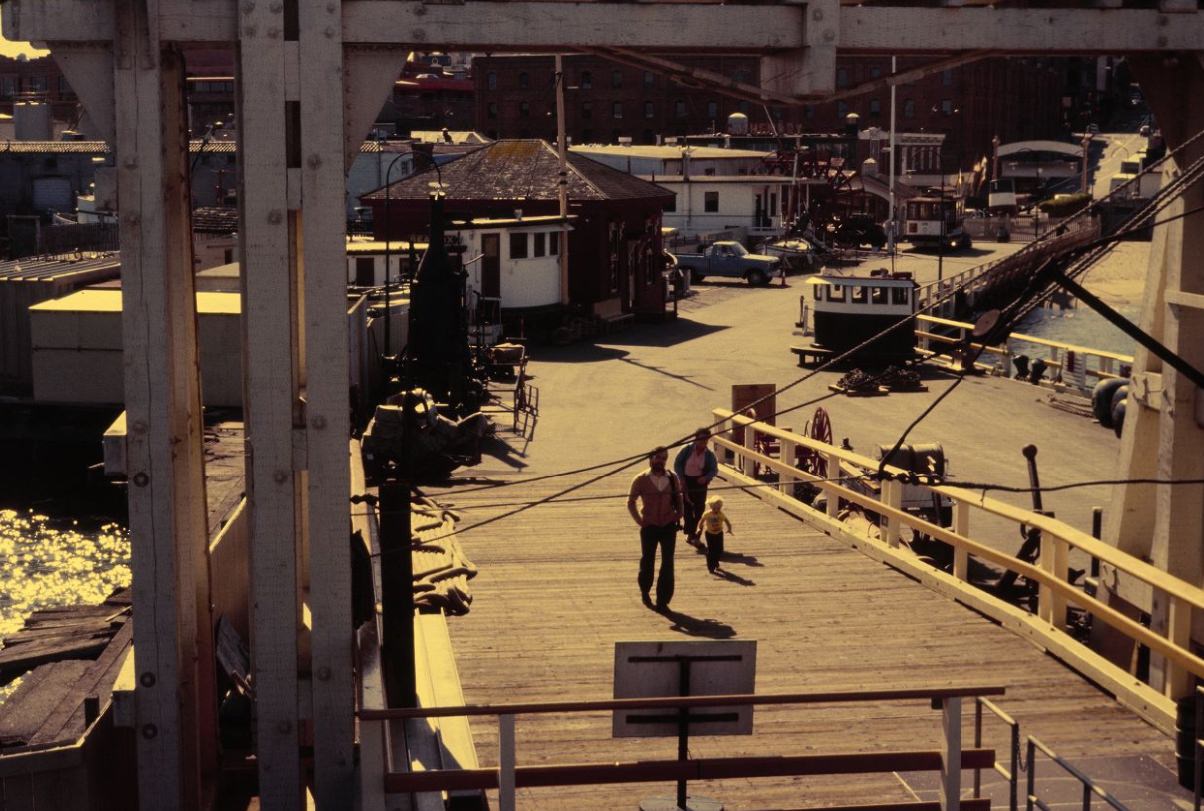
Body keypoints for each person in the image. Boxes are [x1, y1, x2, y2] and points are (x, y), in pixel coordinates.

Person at [628, 446, 684, 611]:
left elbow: (679, 499)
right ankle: (645, 590)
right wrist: (640, 521)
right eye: (658, 458)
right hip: (649, 526)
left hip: (668, 525)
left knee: (668, 563)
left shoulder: (673, 478)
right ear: (651, 459)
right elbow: (631, 502)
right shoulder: (641, 479)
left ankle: (663, 599)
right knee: (648, 560)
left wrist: (678, 515)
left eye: (664, 458)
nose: (661, 461)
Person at [674, 428, 718, 544]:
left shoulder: (709, 455)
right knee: (687, 507)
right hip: (686, 480)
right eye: (700, 439)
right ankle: (691, 533)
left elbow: (714, 470)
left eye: (705, 439)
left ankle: (695, 530)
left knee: (699, 508)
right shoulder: (686, 449)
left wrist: (706, 478)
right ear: (696, 438)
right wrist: (681, 479)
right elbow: (677, 464)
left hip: (700, 482)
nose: (703, 442)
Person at [696, 496, 733, 574]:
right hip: (709, 534)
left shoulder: (721, 514)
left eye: (718, 508)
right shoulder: (707, 514)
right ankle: (711, 566)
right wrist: (699, 528)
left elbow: (726, 521)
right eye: (714, 508)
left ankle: (716, 562)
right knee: (711, 550)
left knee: (719, 549)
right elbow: (701, 521)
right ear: (711, 507)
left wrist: (729, 528)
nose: (716, 510)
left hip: (719, 533)